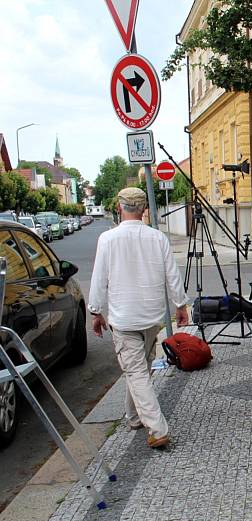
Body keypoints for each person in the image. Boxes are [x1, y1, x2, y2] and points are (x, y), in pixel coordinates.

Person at [88, 188, 189, 449]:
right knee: (139, 370)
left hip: (124, 318)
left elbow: (99, 278)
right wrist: (180, 304)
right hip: (151, 316)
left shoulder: (108, 239)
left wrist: (95, 311)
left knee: (136, 373)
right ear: (144, 210)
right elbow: (172, 274)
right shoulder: (157, 238)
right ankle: (133, 417)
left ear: (120, 208)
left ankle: (157, 429)